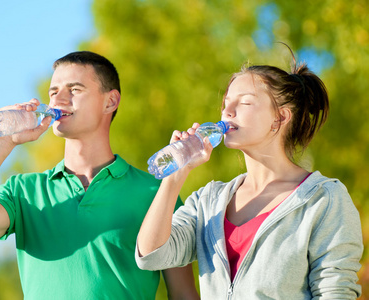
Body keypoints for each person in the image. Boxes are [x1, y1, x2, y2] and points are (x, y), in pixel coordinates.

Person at [0, 51, 199, 299]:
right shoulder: (23, 192)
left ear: (110, 101)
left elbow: (184, 294)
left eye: (74, 89)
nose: (58, 100)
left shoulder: (156, 192)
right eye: (54, 91)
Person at [136, 51, 363, 299]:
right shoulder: (208, 201)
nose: (227, 111)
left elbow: (336, 293)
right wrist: (174, 178)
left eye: (244, 102)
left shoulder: (323, 199)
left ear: (280, 117)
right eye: (225, 103)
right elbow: (151, 255)